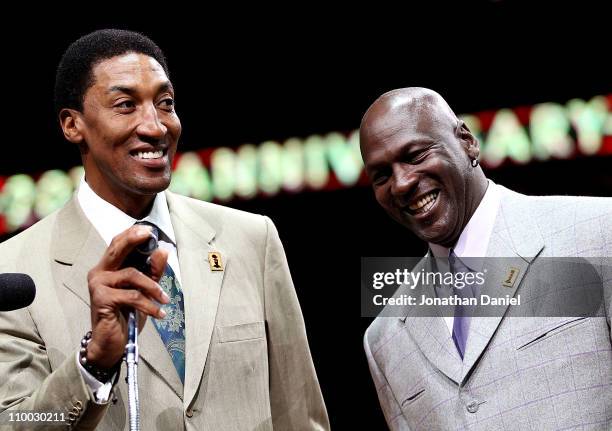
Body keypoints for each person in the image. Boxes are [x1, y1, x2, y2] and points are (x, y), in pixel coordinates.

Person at [0, 29, 329, 430]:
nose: (156, 127)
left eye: (165, 103)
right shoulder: (14, 272)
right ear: (73, 125)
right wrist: (94, 363)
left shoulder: (252, 239)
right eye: (125, 105)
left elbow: (301, 416)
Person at [360, 87, 611, 430]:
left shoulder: (598, 232)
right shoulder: (384, 337)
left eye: (415, 155)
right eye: (382, 175)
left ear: (467, 141)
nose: (401, 183)